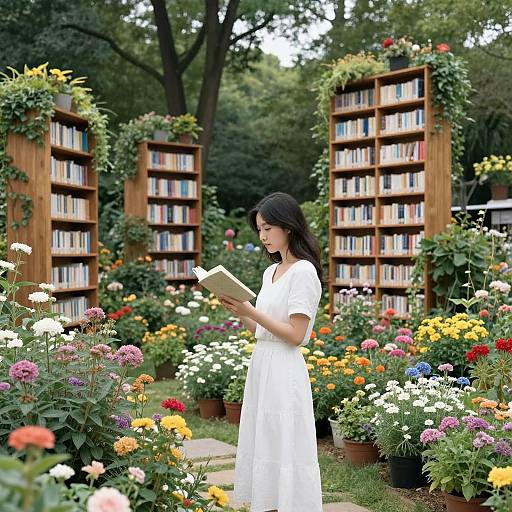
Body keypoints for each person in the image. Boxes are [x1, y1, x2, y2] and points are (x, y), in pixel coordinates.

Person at [219, 192, 324, 512]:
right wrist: (241, 312)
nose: (263, 236)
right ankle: (269, 504)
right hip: (262, 364)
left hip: (284, 369)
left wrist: (251, 311)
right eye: (259, 230)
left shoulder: (304, 272)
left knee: (285, 443)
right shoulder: (271, 272)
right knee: (263, 439)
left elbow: (295, 334)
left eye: (268, 228)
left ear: (288, 227)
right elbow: (262, 330)